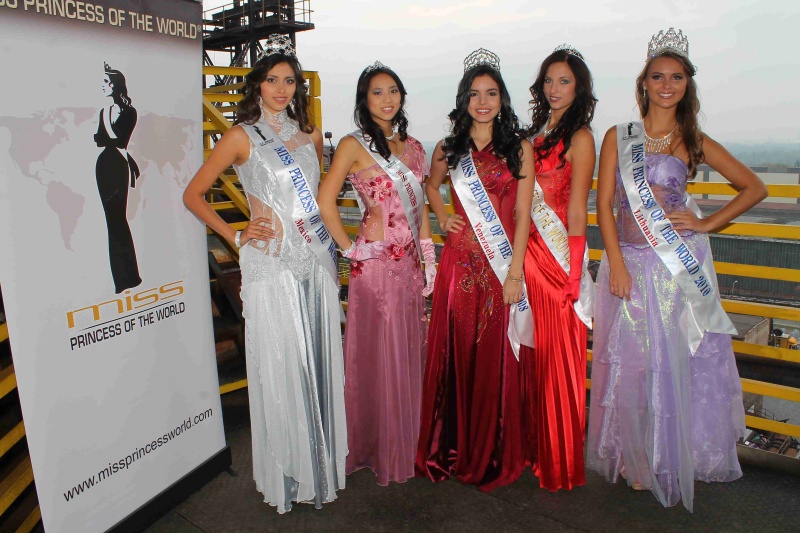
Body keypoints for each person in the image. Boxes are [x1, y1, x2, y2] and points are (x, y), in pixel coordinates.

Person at [586, 28, 767, 511]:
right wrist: (615, 264)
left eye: (677, 77)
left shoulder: (693, 139)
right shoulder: (618, 136)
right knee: (633, 366)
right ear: (643, 83)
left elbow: (754, 187)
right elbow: (605, 206)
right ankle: (637, 456)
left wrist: (705, 222)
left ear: (687, 84)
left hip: (676, 270)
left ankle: (668, 456)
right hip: (628, 264)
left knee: (675, 364)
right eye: (658, 76)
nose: (667, 85)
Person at [183, 34, 346, 513]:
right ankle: (289, 474)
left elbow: (318, 198)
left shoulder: (310, 134)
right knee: (282, 367)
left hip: (313, 261)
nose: (281, 89)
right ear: (258, 85)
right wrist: (236, 234)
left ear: (298, 87)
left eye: (289, 81)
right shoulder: (240, 136)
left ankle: (320, 466)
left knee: (316, 361)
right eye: (272, 80)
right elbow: (193, 194)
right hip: (271, 266)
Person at [416, 48, 535, 492]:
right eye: (474, 94)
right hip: (459, 265)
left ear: (502, 99)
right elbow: (431, 185)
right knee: (456, 353)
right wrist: (441, 214)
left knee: (493, 358)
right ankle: (450, 449)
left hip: (500, 267)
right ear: (463, 99)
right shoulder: (448, 148)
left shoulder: (518, 148)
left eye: (491, 93)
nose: (482, 102)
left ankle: (489, 450)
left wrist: (515, 273)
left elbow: (522, 215)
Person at [317, 61, 434, 485]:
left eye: (393, 91)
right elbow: (325, 201)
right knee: (378, 354)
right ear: (364, 100)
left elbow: (420, 210)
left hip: (410, 265)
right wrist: (350, 248)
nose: (387, 99)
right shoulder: (353, 145)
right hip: (376, 265)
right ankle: (377, 445)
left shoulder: (414, 148)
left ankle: (407, 438)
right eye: (377, 92)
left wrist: (430, 257)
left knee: (408, 348)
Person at [520, 44, 597, 492]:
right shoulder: (536, 133)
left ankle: (561, 460)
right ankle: (536, 450)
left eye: (564, 81)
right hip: (526, 256)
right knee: (534, 359)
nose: (554, 88)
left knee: (559, 361)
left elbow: (577, 209)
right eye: (549, 80)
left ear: (579, 87)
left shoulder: (580, 137)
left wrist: (574, 273)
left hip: (557, 261)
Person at [95, 62, 142, 293]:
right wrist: (105, 122)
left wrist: (106, 118)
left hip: (118, 164)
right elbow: (100, 140)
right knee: (111, 221)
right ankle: (123, 280)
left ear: (116, 85)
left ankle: (128, 278)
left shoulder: (129, 112)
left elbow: (116, 138)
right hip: (104, 164)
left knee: (118, 220)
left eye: (106, 82)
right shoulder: (106, 111)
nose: (103, 86)